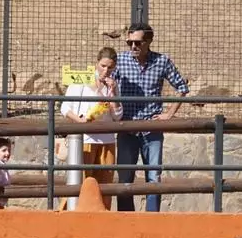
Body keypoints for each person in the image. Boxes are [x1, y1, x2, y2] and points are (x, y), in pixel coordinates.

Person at [114, 22, 190, 212]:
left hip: (152, 129)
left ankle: (152, 218)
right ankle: (125, 219)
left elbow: (182, 88)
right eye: (129, 42)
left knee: (154, 178)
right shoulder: (120, 61)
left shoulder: (162, 61)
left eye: (137, 43)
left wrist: (169, 114)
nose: (133, 46)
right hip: (126, 128)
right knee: (124, 179)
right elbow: (104, 82)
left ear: (148, 41)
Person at [57, 47, 123, 210]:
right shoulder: (83, 81)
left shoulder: (112, 85)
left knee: (105, 185)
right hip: (85, 139)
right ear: (96, 63)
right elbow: (65, 107)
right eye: (103, 66)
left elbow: (117, 115)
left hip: (107, 140)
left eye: (110, 67)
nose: (106, 71)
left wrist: (113, 93)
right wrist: (79, 121)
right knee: (79, 180)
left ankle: (102, 214)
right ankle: (68, 212)